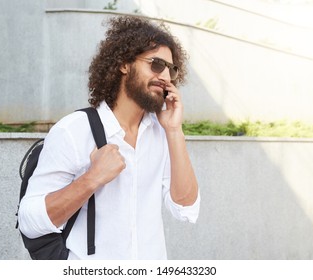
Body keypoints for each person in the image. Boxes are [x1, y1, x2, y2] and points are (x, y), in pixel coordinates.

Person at [18, 15, 200, 260]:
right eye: (156, 64)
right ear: (124, 64)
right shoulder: (73, 130)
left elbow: (185, 208)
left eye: (171, 69)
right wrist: (91, 179)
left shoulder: (162, 131)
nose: (166, 77)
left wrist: (174, 131)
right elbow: (30, 221)